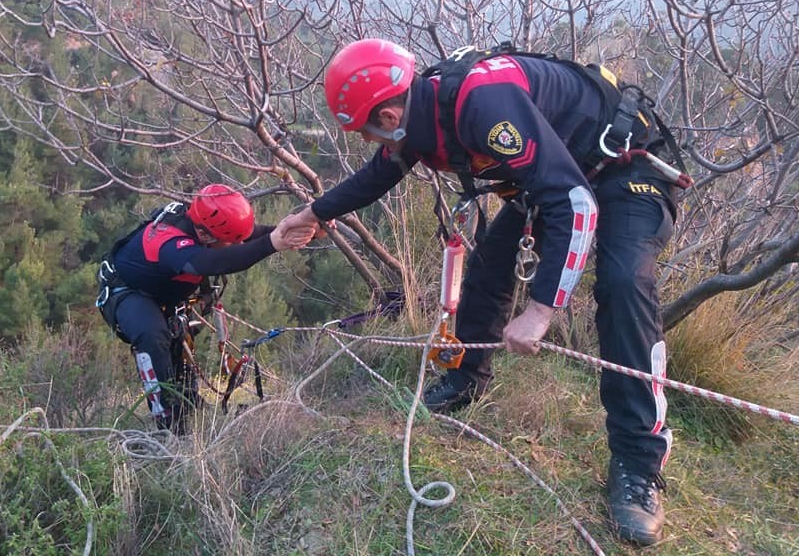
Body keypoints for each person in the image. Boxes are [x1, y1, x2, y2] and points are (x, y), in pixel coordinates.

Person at [282, 38, 682, 546]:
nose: (369, 142)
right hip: (558, 173)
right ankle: (467, 377)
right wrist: (312, 215)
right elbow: (379, 174)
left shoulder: (481, 104)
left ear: (387, 115)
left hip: (627, 167)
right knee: (490, 266)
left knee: (624, 283)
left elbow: (575, 204)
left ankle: (638, 466)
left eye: (366, 131)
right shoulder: (423, 111)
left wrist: (541, 309)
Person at [96, 184, 314, 433]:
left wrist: (294, 228)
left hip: (162, 293)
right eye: (230, 241)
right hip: (126, 292)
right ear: (207, 236)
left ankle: (190, 404)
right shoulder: (168, 241)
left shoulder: (206, 223)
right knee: (153, 337)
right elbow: (210, 262)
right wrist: (273, 243)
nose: (235, 244)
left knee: (179, 341)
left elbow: (247, 234)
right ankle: (168, 421)